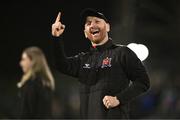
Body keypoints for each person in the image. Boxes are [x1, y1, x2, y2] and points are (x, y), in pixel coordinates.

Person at [51, 8, 150, 119]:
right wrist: (56, 38)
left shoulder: (122, 53)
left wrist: (118, 99)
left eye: (97, 21)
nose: (93, 25)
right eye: (88, 23)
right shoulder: (83, 60)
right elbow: (61, 65)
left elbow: (143, 82)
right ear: (85, 33)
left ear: (107, 27)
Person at [17, 46, 55, 119]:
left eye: (24, 59)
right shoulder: (45, 82)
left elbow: (27, 113)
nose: (21, 63)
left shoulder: (32, 83)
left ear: (33, 61)